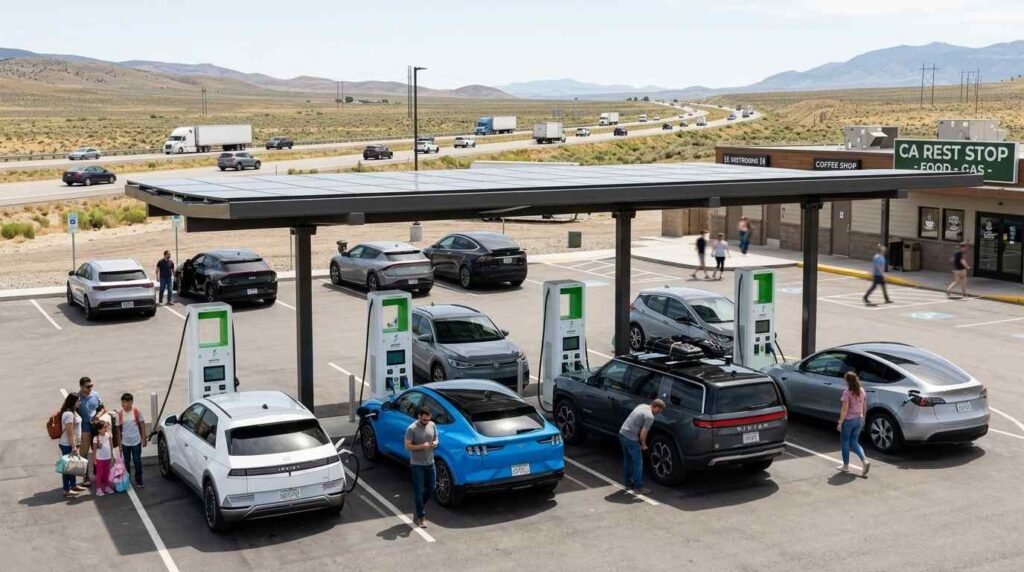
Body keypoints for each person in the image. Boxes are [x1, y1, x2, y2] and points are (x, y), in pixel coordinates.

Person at [618, 399, 666, 495]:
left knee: (627, 460)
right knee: (638, 462)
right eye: (659, 411)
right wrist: (643, 444)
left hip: (622, 433)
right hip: (631, 438)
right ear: (655, 406)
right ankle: (638, 487)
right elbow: (643, 433)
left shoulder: (642, 405)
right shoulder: (650, 417)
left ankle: (628, 483)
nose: (658, 413)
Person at [405, 407, 438, 528]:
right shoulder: (411, 429)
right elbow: (407, 446)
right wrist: (421, 446)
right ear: (419, 416)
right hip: (417, 464)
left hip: (430, 462)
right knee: (418, 491)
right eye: (424, 420)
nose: (426, 422)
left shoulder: (432, 424)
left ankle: (420, 505)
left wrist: (435, 443)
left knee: (432, 488)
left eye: (428, 420)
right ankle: (421, 517)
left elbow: (436, 438)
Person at [837, 372, 870, 477]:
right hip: (858, 420)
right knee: (855, 442)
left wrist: (840, 422)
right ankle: (864, 461)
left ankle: (845, 466)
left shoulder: (847, 393)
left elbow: (845, 409)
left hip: (848, 421)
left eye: (845, 379)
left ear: (848, 381)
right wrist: (863, 418)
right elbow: (865, 406)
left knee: (845, 442)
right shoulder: (862, 391)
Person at [77, 377, 104, 486]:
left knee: (98, 451)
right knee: (84, 454)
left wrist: (98, 416)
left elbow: (102, 408)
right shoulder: (77, 398)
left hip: (96, 428)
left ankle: (98, 473)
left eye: (91, 386)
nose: (90, 388)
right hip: (84, 430)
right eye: (88, 386)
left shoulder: (95, 395)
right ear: (81, 387)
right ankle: (86, 477)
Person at [58, 392, 86, 498]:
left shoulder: (73, 412)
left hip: (73, 444)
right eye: (78, 401)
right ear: (73, 402)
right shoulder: (68, 414)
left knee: (72, 466)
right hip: (67, 444)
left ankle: (73, 485)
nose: (79, 402)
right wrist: (73, 446)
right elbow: (69, 433)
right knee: (67, 467)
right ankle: (66, 489)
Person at [117, 393, 147, 488]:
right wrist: (120, 444)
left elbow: (142, 424)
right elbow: (118, 430)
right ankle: (127, 479)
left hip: (136, 441)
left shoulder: (137, 411)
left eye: (125, 402)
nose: (123, 404)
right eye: (122, 402)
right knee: (126, 462)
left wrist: (144, 438)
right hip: (125, 442)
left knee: (137, 460)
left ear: (130, 402)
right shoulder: (120, 414)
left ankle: (139, 478)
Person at [90, 419, 116, 496]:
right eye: (104, 428)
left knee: (107, 473)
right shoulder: (96, 438)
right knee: (99, 474)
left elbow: (111, 446)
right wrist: (94, 459)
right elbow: (94, 450)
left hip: (107, 458)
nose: (106, 429)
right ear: (99, 430)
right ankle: (99, 489)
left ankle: (107, 487)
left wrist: (112, 456)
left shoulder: (108, 435)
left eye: (106, 427)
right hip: (100, 459)